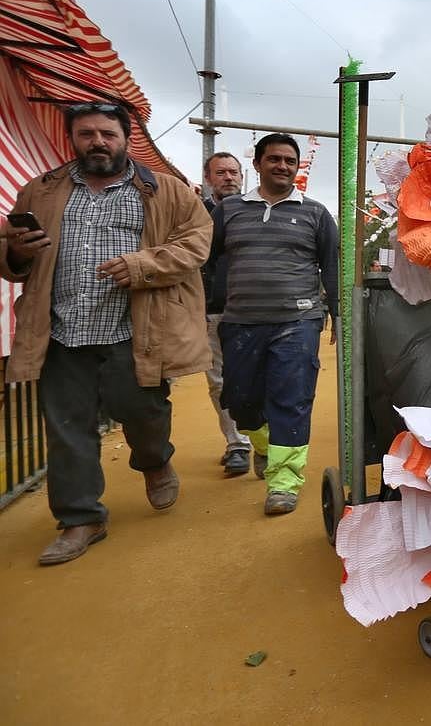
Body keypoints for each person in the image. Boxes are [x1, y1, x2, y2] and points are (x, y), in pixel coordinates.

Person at [0, 102, 212, 565]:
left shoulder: (168, 192)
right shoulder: (40, 191)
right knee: (66, 428)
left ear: (126, 138)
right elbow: (11, 258)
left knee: (144, 412)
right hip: (61, 331)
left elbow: (196, 243)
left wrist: (141, 265)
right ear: (72, 139)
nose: (97, 142)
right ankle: (80, 519)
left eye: (107, 133)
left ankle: (154, 461)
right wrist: (16, 251)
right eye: (86, 134)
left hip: (135, 330)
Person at [209, 133, 338, 516]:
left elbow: (331, 267)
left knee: (291, 399)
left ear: (298, 168)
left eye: (290, 161)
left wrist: (340, 318)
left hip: (298, 320)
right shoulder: (229, 211)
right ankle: (262, 445)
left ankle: (284, 481)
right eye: (275, 159)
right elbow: (208, 260)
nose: (283, 166)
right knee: (241, 402)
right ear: (258, 164)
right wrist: (209, 303)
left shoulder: (315, 213)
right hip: (240, 322)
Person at [200, 151, 256, 478]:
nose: (229, 177)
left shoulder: (253, 211)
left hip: (253, 309)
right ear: (209, 178)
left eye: (234, 172)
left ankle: (262, 440)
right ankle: (237, 443)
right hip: (211, 310)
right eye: (221, 172)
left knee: (257, 376)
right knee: (218, 381)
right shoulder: (193, 214)